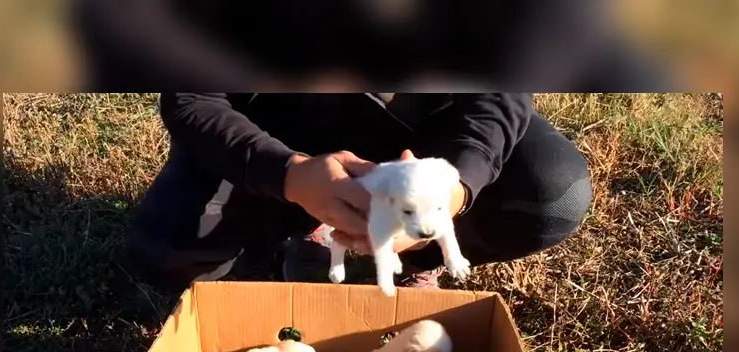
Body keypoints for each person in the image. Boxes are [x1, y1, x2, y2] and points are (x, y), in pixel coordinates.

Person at [128, 93, 594, 293]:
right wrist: (288, 174)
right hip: (276, 131)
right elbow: (191, 97)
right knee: (172, 255)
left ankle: (418, 258)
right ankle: (300, 222)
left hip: (418, 129)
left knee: (553, 193)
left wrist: (455, 186)